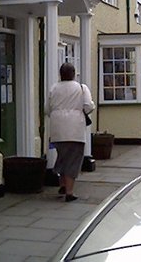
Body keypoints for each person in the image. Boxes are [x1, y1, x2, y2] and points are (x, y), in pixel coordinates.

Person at [47, 62, 95, 202]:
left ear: (60, 74)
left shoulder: (54, 88)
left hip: (57, 128)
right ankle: (69, 192)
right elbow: (88, 106)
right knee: (73, 159)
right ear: (73, 73)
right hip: (75, 129)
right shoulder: (81, 88)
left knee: (62, 156)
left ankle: (62, 184)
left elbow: (47, 108)